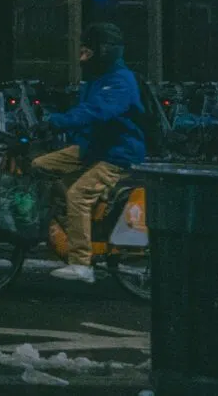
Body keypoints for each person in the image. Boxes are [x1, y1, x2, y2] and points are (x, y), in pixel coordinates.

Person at [37, 22, 147, 283]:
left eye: (88, 50)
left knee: (79, 195)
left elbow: (96, 111)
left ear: (104, 51)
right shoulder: (97, 78)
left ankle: (81, 264)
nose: (82, 56)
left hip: (117, 152)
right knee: (39, 165)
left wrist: (59, 121)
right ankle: (73, 223)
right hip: (93, 147)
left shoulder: (119, 81)